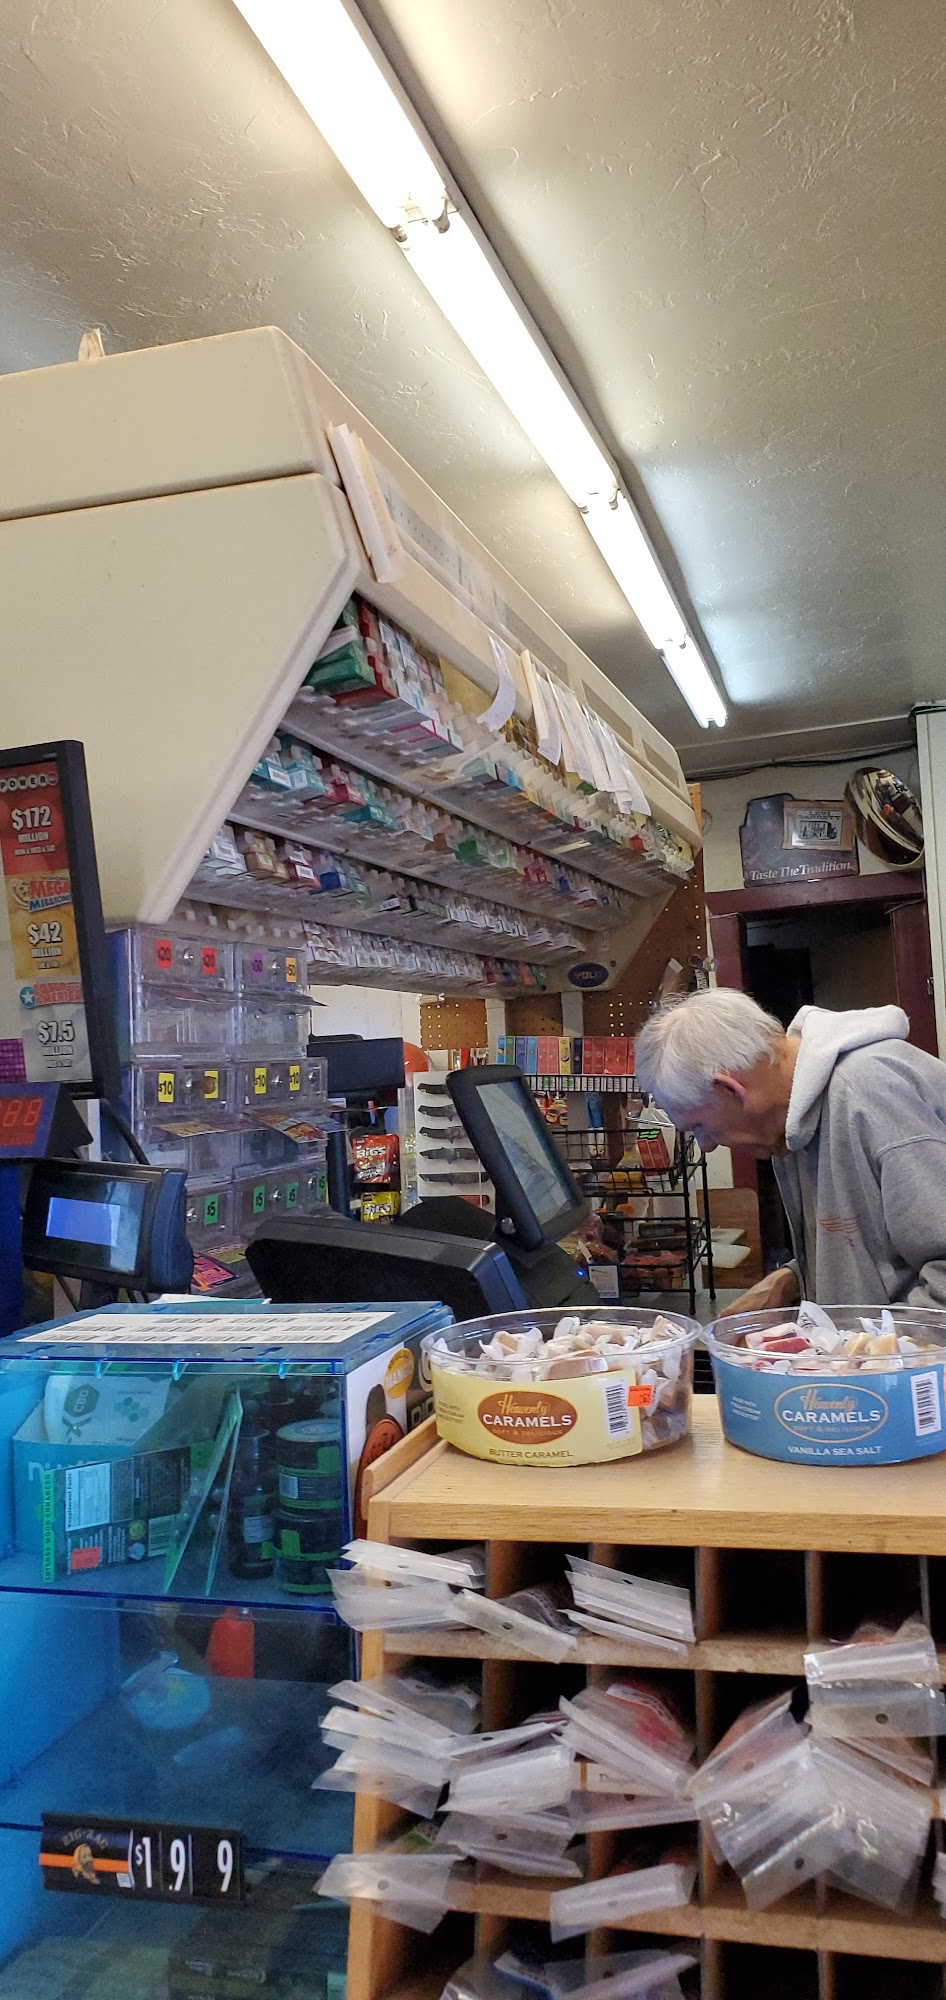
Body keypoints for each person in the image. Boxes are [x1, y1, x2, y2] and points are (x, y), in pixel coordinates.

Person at [634, 987, 946, 1313]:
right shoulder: (790, 1124)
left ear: (731, 1089)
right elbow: (876, 1239)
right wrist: (791, 1278)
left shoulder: (869, 1091)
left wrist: (871, 1347)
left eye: (699, 1126)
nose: (707, 1144)